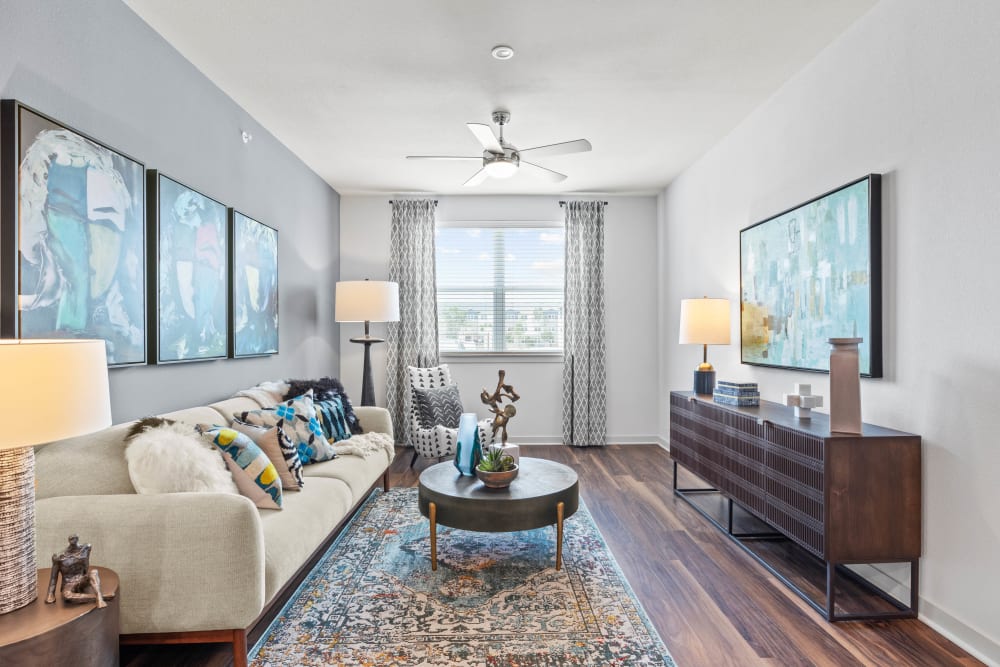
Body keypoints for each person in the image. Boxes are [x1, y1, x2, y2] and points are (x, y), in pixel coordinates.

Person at [45, 534, 113, 608]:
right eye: (72, 539)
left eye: (75, 538)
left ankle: (99, 598)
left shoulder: (85, 549)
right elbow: (53, 578)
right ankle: (103, 597)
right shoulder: (59, 558)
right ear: (69, 541)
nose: (73, 540)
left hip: (81, 579)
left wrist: (87, 576)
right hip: (69, 584)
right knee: (67, 595)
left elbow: (86, 567)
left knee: (94, 572)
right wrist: (50, 594)